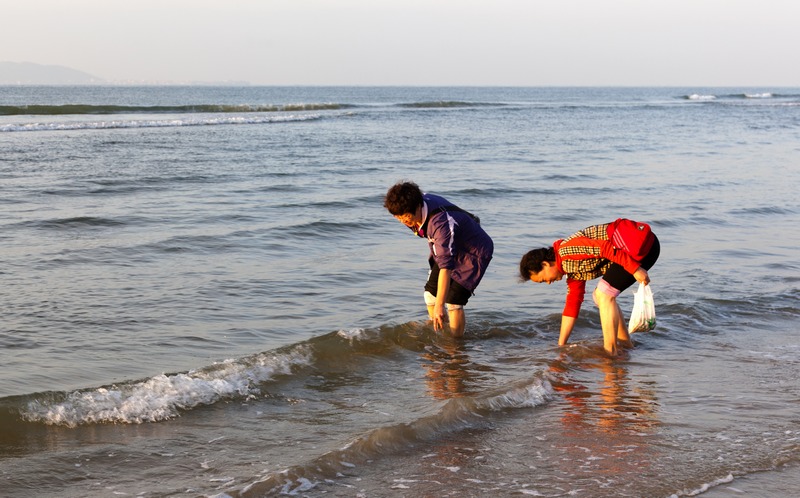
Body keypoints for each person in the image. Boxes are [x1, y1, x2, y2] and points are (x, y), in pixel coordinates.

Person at [519, 219, 660, 356]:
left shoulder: (566, 251)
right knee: (600, 296)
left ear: (545, 264)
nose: (548, 283)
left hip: (639, 245)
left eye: (543, 280)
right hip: (638, 250)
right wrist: (561, 346)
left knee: (604, 294)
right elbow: (572, 305)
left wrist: (635, 269)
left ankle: (610, 352)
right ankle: (626, 345)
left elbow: (604, 248)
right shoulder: (571, 270)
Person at [384, 181, 493, 337]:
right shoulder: (414, 205)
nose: (403, 221)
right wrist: (436, 305)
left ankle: (455, 346)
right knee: (430, 295)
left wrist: (440, 305)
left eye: (406, 216)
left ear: (417, 206)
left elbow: (446, 267)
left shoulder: (440, 223)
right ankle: (438, 330)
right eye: (398, 217)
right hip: (450, 243)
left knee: (453, 302)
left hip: (474, 250)